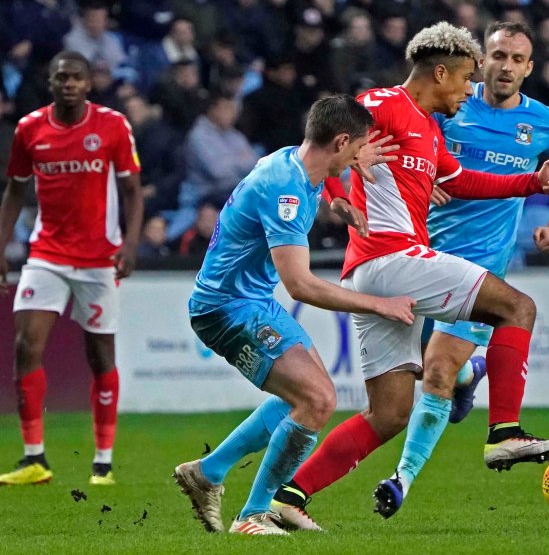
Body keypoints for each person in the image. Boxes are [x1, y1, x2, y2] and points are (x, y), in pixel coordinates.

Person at [271, 22, 549, 529]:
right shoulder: (385, 103)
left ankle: (290, 497)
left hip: (373, 276)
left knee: (388, 414)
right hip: (394, 258)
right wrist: (338, 194)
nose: (469, 91)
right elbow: (320, 143)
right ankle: (504, 432)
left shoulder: (430, 129)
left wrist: (532, 183)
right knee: (518, 308)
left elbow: (463, 180)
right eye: (466, 79)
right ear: (440, 73)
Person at [172, 94, 416, 536]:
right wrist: (380, 304)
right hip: (225, 308)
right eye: (359, 145)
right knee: (317, 399)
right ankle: (253, 516)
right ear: (340, 141)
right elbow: (300, 285)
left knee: (304, 399)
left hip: (251, 300)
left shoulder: (298, 165)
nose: (362, 154)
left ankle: (208, 472)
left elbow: (314, 188)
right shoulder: (284, 187)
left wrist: (338, 201)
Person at [425, 21, 549, 426]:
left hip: (482, 264)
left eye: (517, 59)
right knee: (421, 366)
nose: (507, 66)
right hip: (423, 252)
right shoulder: (453, 105)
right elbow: (416, 154)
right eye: (499, 56)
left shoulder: (547, 122)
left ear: (529, 68)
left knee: (437, 371)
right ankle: (470, 373)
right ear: (482, 61)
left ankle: (409, 470)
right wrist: (424, 183)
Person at [0, 51, 143, 486]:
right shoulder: (30, 128)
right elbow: (15, 192)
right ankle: (34, 459)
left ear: (87, 84)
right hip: (47, 254)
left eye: (76, 77)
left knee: (100, 356)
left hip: (100, 259)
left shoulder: (113, 125)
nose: (68, 83)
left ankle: (103, 463)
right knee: (26, 346)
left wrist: (130, 243)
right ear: (50, 82)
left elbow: (133, 190)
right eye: (61, 77)